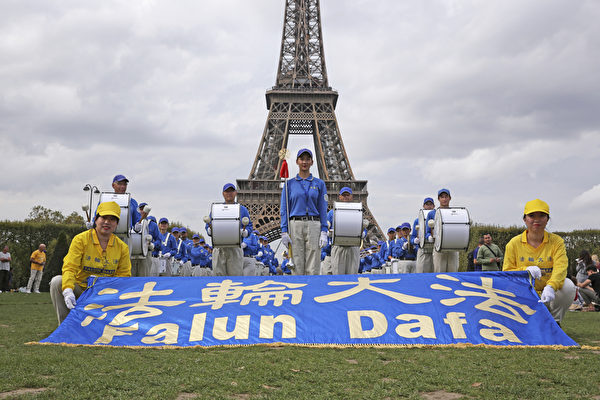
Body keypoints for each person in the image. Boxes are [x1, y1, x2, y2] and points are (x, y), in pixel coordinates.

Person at [49, 201, 131, 324]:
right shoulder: (80, 240)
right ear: (96, 219)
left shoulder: (122, 247)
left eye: (112, 219)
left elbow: (124, 277)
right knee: (57, 282)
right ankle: (66, 327)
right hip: (80, 290)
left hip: (105, 294)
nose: (107, 222)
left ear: (117, 224)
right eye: (103, 217)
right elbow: (70, 267)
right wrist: (68, 290)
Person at [502, 199, 576, 325]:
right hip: (524, 291)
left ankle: (555, 322)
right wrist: (524, 271)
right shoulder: (513, 243)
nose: (536, 220)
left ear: (547, 219)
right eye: (531, 216)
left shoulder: (557, 242)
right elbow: (507, 272)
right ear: (524, 219)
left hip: (549, 292)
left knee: (568, 286)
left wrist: (551, 286)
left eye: (542, 215)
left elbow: (560, 267)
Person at [280, 148, 328, 275]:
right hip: (295, 223)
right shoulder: (289, 184)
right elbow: (284, 209)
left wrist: (324, 230)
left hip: (313, 223)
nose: (304, 162)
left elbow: (323, 208)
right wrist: (284, 230)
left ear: (312, 162)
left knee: (313, 263)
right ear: (297, 161)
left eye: (308, 159)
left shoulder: (319, 184)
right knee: (296, 262)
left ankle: (312, 291)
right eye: (302, 159)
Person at [206, 183, 252, 276]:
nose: (229, 193)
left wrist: (245, 232)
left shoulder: (242, 209)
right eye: (227, 191)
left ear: (235, 193)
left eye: (231, 191)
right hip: (219, 247)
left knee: (236, 276)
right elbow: (209, 224)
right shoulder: (216, 209)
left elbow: (249, 226)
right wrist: (209, 230)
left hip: (235, 247)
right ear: (223, 193)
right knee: (218, 276)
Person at [327, 187, 362, 274]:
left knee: (353, 274)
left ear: (352, 196)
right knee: (338, 275)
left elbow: (362, 228)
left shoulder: (358, 210)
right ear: (339, 197)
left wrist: (363, 233)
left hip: (353, 246)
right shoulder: (331, 213)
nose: (345, 197)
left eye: (347, 195)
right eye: (344, 195)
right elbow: (326, 226)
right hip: (339, 246)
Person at [427, 189, 459, 273]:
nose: (444, 199)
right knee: (439, 272)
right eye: (442, 197)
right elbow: (427, 231)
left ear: (450, 198)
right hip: (439, 247)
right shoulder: (432, 213)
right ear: (438, 199)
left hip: (452, 247)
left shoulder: (454, 213)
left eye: (446, 197)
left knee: (453, 272)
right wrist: (429, 236)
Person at [414, 197, 435, 273]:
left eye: (430, 204)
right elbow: (413, 236)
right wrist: (415, 240)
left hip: (434, 250)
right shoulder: (417, 220)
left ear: (434, 206)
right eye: (427, 204)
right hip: (423, 250)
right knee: (421, 273)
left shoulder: (438, 217)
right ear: (423, 206)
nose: (429, 206)